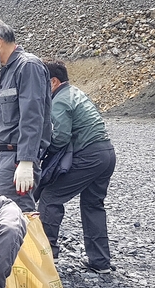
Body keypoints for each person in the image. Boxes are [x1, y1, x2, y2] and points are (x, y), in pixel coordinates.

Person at [36, 60, 116, 274]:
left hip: (88, 155)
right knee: (93, 204)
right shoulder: (76, 93)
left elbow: (60, 138)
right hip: (106, 153)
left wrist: (39, 153)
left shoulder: (59, 100)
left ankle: (46, 254)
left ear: (53, 81)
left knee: (51, 198)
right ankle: (100, 262)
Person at [0, 18, 52, 212]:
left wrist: (26, 161)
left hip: (15, 157)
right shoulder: (4, 72)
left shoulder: (28, 67)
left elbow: (32, 116)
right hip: (0, 157)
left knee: (17, 216)